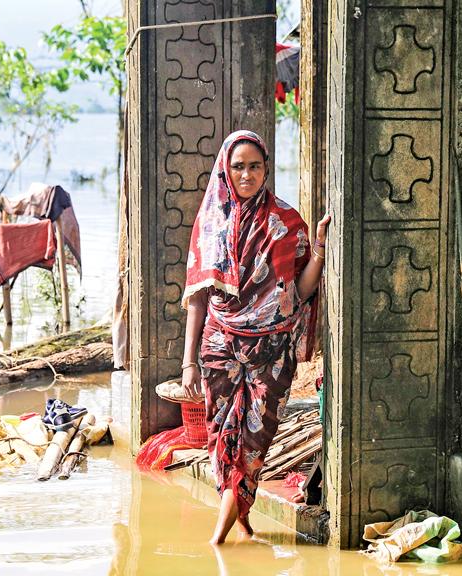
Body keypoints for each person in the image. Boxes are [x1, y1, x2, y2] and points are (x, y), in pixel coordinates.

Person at [179, 130, 330, 545]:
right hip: (218, 348)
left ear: (266, 169)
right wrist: (189, 360)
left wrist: (317, 248)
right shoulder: (211, 222)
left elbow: (298, 292)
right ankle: (240, 521)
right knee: (221, 439)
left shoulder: (285, 222)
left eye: (255, 166)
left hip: (272, 352)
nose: (246, 174)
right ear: (226, 170)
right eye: (238, 166)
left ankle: (218, 541)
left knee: (254, 441)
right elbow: (198, 295)